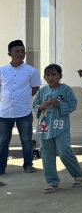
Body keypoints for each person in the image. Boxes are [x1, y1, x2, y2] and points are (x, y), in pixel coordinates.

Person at [33, 64, 82, 193]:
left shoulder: (66, 90)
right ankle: (52, 182)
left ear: (60, 76)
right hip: (44, 127)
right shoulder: (42, 91)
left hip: (61, 126)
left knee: (64, 152)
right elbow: (35, 106)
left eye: (54, 74)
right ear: (44, 77)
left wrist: (59, 104)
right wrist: (41, 107)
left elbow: (72, 104)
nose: (51, 77)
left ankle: (79, 175)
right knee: (46, 154)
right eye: (48, 75)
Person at [0, 39, 41, 174]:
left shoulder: (31, 71)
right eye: (17, 51)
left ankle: (28, 165)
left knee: (26, 140)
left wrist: (22, 98)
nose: (20, 53)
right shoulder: (2, 70)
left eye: (22, 51)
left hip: (23, 111)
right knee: (3, 141)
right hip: (4, 112)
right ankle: (1, 168)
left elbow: (34, 89)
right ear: (9, 53)